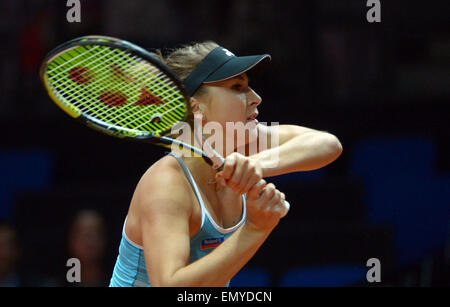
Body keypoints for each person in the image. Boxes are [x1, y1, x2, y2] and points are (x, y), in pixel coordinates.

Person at [109, 41, 342, 287]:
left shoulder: (241, 145)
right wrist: (254, 230)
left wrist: (257, 165)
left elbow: (328, 144)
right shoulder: (166, 183)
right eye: (237, 87)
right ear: (194, 105)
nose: (256, 98)